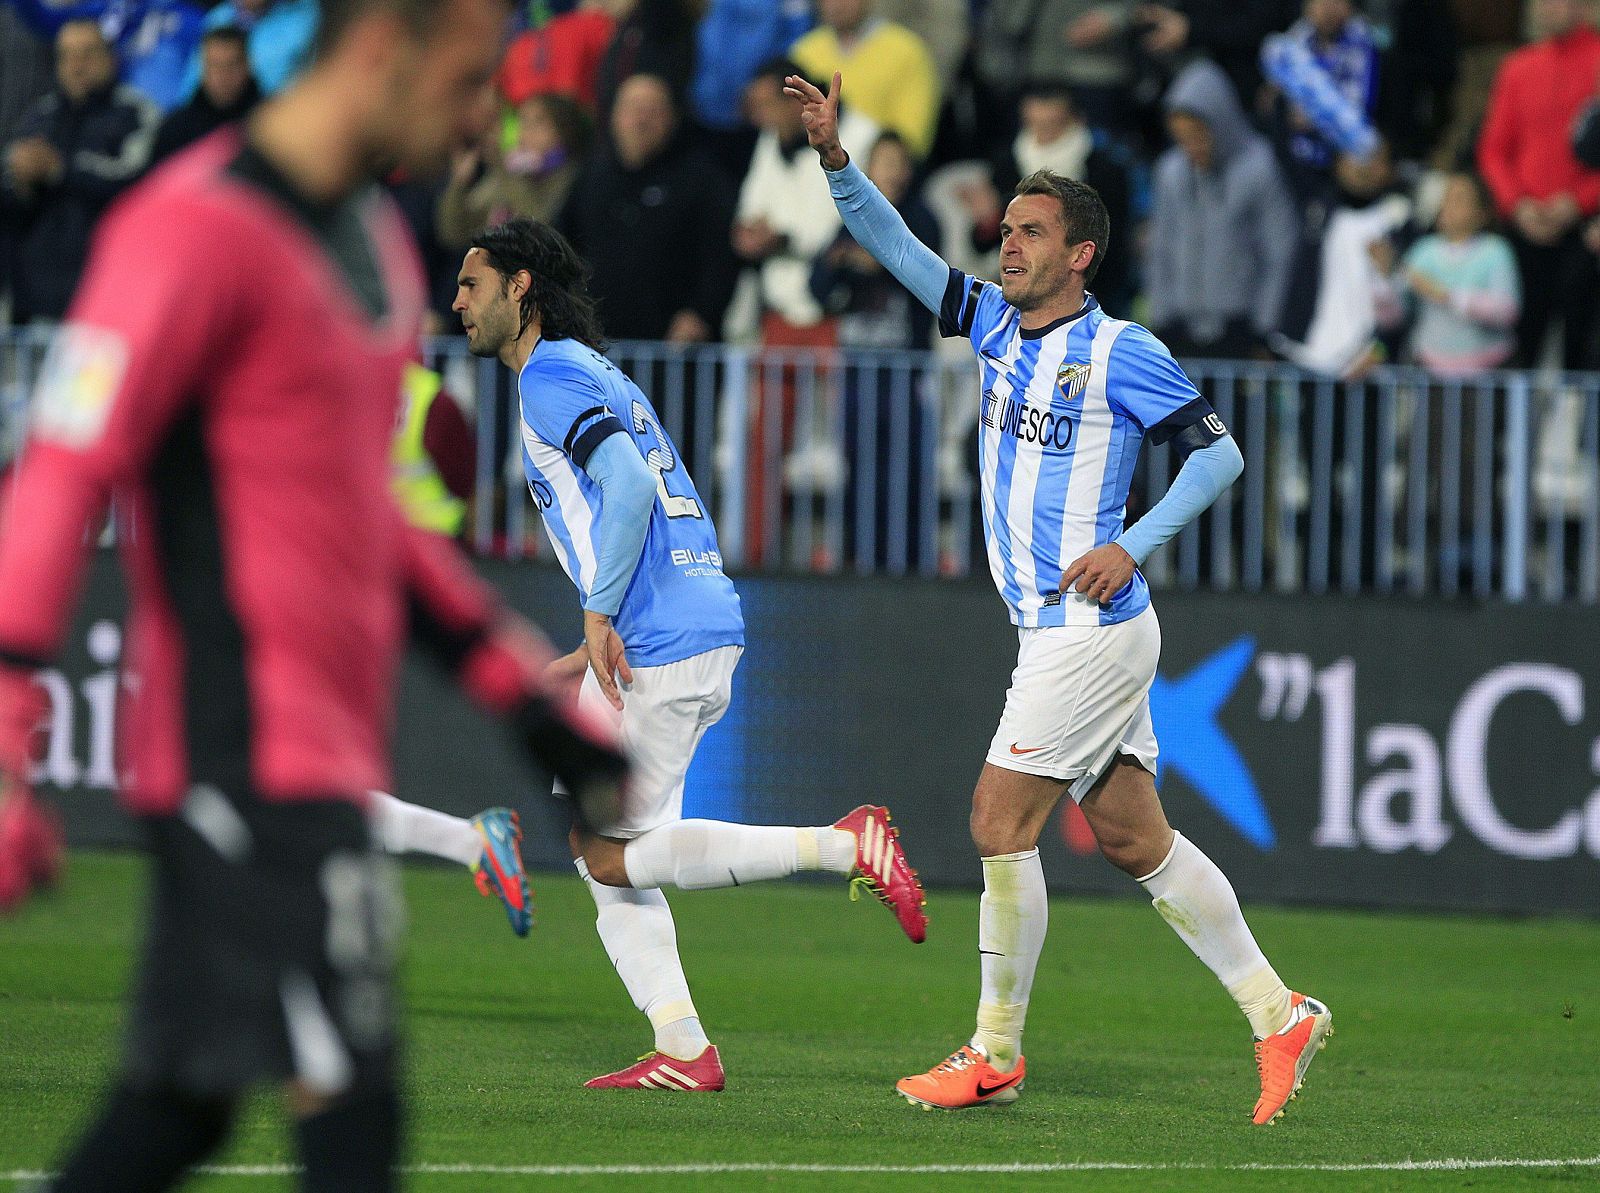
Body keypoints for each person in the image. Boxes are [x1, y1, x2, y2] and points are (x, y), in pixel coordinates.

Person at [0, 1, 632, 1190]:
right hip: (239, 753)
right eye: (465, 74)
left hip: (316, 753)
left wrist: (527, 705)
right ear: (382, 45)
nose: (483, 112)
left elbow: (365, 531)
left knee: (175, 1113)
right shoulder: (188, 228)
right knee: (354, 1115)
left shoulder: (375, 250)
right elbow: (61, 467)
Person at [787, 71, 1332, 1122]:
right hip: (1056, 627)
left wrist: (1132, 542)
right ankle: (1279, 1012)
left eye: (1031, 231)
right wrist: (837, 161)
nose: (1009, 243)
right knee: (1134, 838)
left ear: (1079, 253)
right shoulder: (993, 326)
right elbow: (903, 255)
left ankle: (993, 1050)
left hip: (1086, 627)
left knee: (997, 817)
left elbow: (1217, 462)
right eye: (1006, 227)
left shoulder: (1124, 349)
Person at [446, 216, 929, 1091]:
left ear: (521, 289)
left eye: (472, 285)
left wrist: (599, 616)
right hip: (692, 621)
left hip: (656, 642)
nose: (457, 303)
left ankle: (846, 846)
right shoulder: (600, 373)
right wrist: (590, 631)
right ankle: (682, 1047)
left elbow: (629, 487)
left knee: (608, 853)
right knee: (606, 856)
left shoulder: (551, 374)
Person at [1, 19, 159, 324]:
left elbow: (137, 182)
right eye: (68, 55)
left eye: (87, 53)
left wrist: (59, 169)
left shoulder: (137, 114)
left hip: (108, 295)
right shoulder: (39, 117)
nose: (77, 64)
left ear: (111, 58)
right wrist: (20, 181)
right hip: (34, 301)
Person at [1475, 0, 1600, 369]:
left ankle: (1585, 426)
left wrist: (1578, 202)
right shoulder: (1517, 67)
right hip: (1524, 229)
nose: (1547, 7)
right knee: (1518, 348)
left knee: (1584, 353)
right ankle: (1513, 426)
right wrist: (1519, 205)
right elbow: (1493, 150)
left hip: (1587, 230)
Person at [1148, 59, 1298, 359]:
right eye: (1182, 139)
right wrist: (1160, 318)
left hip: (1241, 328)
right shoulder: (1170, 171)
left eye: (1197, 135)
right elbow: (1160, 249)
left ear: (1220, 123)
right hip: (1177, 328)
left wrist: (1264, 328)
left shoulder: (1260, 167)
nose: (1191, 147)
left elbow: (1279, 250)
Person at [148, 25, 260, 167]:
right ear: (202, 67)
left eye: (231, 65)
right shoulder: (175, 128)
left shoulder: (268, 126)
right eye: (214, 65)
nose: (223, 76)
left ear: (248, 66)